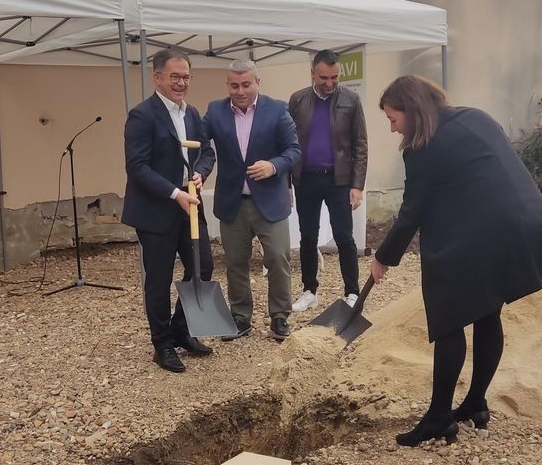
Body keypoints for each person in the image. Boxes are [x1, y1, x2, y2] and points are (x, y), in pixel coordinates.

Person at [370, 75, 542, 447]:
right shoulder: (475, 117)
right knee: (486, 311)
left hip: (484, 231)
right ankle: (476, 403)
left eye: (393, 119)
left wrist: (383, 257)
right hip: (523, 221)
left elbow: (412, 210)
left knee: (449, 319)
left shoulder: (423, 146)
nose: (393, 129)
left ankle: (439, 417)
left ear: (412, 111)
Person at [122, 49, 217, 373]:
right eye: (175, 76)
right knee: (159, 280)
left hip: (189, 207)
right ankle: (162, 344)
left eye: (186, 77)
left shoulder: (191, 115)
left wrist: (200, 173)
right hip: (156, 210)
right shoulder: (142, 116)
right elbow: (136, 166)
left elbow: (206, 152)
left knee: (203, 267)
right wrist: (174, 192)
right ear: (157, 77)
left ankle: (182, 329)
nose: (181, 83)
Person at [204, 60, 302, 341]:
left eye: (246, 84)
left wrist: (273, 166)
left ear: (257, 83)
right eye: (234, 85)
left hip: (270, 201)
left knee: (278, 259)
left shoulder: (278, 110)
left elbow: (294, 150)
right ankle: (240, 317)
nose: (240, 91)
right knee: (235, 262)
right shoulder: (214, 111)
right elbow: (199, 144)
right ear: (227, 86)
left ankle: (280, 316)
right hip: (232, 203)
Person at [287, 50, 368, 312]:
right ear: (312, 73)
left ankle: (352, 292)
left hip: (339, 181)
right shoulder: (298, 100)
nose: (330, 83)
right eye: (324, 77)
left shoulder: (351, 100)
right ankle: (309, 290)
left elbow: (360, 144)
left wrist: (357, 185)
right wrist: (287, 181)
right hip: (306, 179)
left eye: (334, 77)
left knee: (344, 237)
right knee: (307, 236)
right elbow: (288, 141)